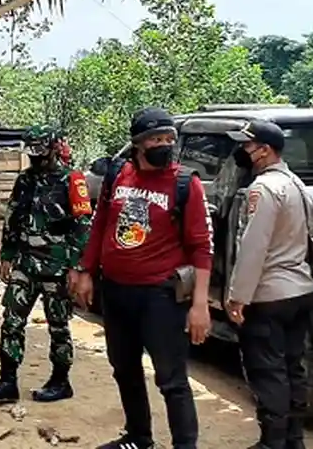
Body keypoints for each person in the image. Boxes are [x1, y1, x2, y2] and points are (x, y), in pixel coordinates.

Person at [72, 107, 213, 449]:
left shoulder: (185, 184)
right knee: (125, 369)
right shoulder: (118, 174)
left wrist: (200, 305)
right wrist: (86, 270)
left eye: (168, 139)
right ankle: (138, 437)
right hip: (117, 292)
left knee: (172, 380)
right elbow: (101, 224)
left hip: (160, 297)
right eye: (155, 139)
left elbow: (201, 248)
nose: (164, 145)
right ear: (138, 144)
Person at [0, 125, 92, 404]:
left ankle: (60, 381)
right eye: (32, 150)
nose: (36, 156)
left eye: (41, 150)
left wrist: (75, 267)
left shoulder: (72, 180)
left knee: (58, 325)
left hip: (57, 266)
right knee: (11, 321)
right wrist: (6, 255)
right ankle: (8, 381)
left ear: (54, 148)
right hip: (25, 263)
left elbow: (82, 226)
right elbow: (13, 217)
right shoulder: (25, 180)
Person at [225, 120, 313, 449]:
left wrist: (237, 297)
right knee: (293, 368)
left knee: (268, 371)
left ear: (264, 150)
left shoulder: (262, 189)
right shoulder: (295, 183)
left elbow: (253, 247)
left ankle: (272, 443)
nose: (244, 152)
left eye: (248, 146)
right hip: (300, 289)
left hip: (269, 295)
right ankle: (294, 440)